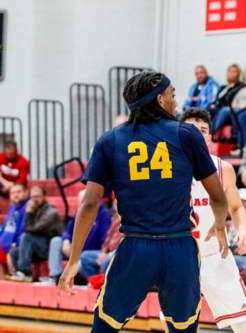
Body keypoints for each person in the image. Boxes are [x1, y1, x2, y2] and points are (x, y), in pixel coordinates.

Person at [57, 71, 228, 333]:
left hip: (136, 248)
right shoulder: (187, 135)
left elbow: (89, 204)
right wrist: (219, 225)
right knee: (183, 329)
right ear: (160, 99)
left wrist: (73, 261)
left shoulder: (110, 141)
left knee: (104, 328)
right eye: (171, 95)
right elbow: (217, 195)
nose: (175, 101)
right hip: (179, 247)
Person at [178, 108, 246, 333]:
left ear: (210, 136)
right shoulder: (168, 168)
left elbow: (236, 207)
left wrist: (243, 229)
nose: (198, 134)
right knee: (177, 326)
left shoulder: (223, 168)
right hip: (180, 257)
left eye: (203, 130)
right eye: (192, 129)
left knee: (245, 323)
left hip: (215, 253)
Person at [46, 189, 112, 285]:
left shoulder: (103, 214)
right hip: (76, 249)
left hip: (92, 251)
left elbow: (105, 239)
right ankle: (55, 276)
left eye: (84, 203)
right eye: (80, 204)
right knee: (56, 241)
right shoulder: (79, 212)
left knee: (84, 257)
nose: (82, 206)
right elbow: (67, 231)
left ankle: (83, 279)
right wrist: (66, 240)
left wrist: (104, 252)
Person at [9, 185, 62, 282]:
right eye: (33, 197)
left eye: (37, 196)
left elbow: (34, 229)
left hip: (50, 248)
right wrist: (30, 213)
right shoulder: (35, 210)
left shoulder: (51, 212)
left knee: (26, 237)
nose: (35, 200)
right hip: (36, 248)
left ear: (44, 196)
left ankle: (24, 272)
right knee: (14, 252)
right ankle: (20, 274)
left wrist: (29, 213)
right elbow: (27, 228)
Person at [210, 64, 246, 139]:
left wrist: (217, 105)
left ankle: (210, 132)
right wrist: (213, 104)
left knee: (224, 110)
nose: (231, 73)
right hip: (217, 108)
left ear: (239, 74)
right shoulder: (222, 87)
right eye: (229, 71)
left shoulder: (240, 87)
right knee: (204, 110)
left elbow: (232, 101)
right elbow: (216, 100)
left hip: (228, 109)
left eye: (234, 71)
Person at [0, 183, 28, 276]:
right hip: (4, 246)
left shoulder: (28, 207)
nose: (15, 195)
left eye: (18, 192)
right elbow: (5, 228)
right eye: (12, 193)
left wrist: (10, 249)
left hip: (14, 247)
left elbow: (26, 231)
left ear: (25, 193)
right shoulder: (13, 208)